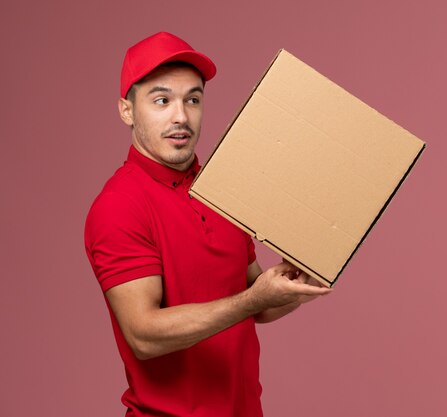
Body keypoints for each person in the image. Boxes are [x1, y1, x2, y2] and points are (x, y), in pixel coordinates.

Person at [84, 32, 331, 417]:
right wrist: (253, 299)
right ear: (127, 110)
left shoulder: (222, 190)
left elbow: (257, 304)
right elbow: (144, 335)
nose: (181, 116)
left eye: (193, 99)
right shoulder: (118, 206)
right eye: (162, 100)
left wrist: (298, 285)